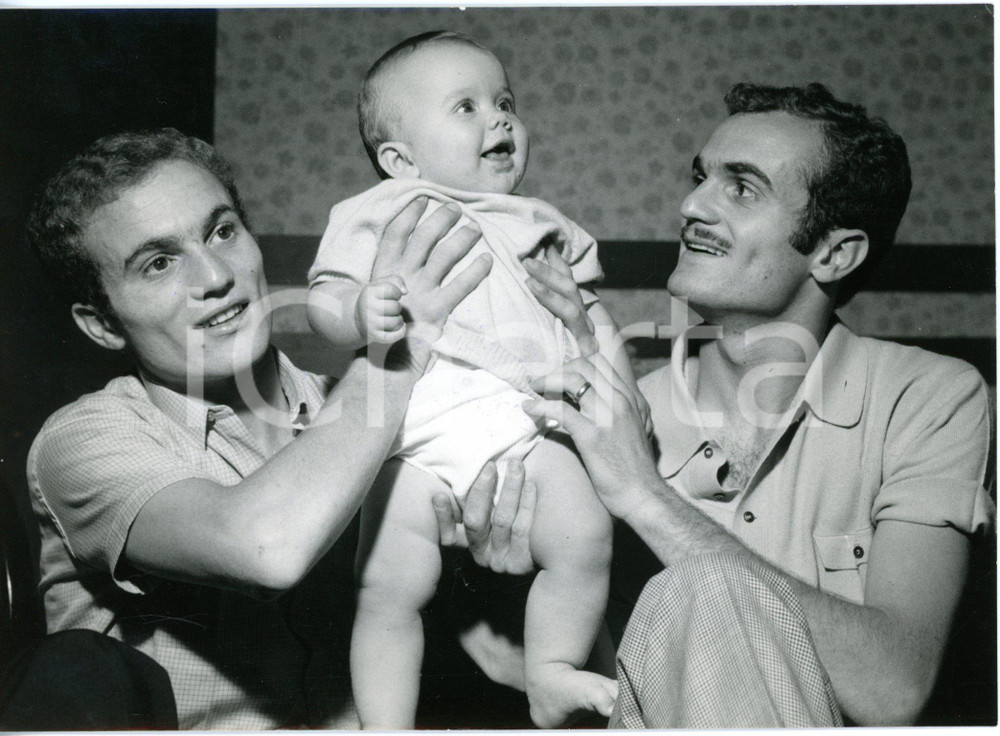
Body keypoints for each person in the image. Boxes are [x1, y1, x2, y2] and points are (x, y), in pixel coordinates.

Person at [14, 127, 542, 729]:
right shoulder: (83, 440)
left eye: (222, 230)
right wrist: (399, 354)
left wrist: (484, 577)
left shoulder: (354, 412)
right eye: (159, 263)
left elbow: (487, 657)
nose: (215, 275)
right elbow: (264, 548)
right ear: (102, 325)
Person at [522, 82, 995, 727]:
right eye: (700, 176)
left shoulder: (929, 397)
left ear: (834, 253)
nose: (690, 205)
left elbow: (892, 690)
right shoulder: (607, 416)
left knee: (707, 582)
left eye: (741, 187)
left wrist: (642, 493)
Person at [306, 31, 630, 728]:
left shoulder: (544, 223)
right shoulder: (380, 211)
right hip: (413, 427)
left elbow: (589, 323)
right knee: (386, 588)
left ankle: (549, 672)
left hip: (522, 419)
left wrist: (580, 345)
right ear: (400, 159)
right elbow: (324, 297)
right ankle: (383, 723)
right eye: (467, 107)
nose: (500, 118)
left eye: (505, 101)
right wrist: (359, 309)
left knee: (585, 538)